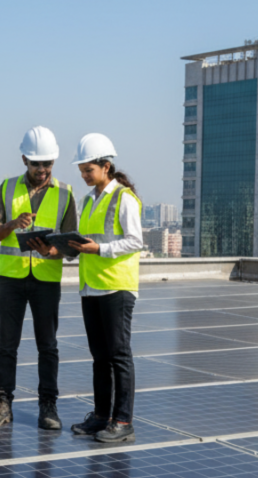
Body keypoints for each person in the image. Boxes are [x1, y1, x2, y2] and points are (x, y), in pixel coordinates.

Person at [0, 126, 78, 430]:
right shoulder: (7, 188)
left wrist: (52, 251)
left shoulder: (65, 193)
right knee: (7, 345)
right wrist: (12, 224)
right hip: (11, 279)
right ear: (24, 159)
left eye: (48, 163)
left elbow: (72, 246)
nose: (42, 169)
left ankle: (48, 406)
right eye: (37, 163)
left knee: (47, 346)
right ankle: (2, 403)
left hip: (46, 280)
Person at [67, 133, 143, 443]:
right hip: (91, 287)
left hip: (116, 287)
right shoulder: (88, 200)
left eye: (88, 170)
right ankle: (101, 416)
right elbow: (89, 241)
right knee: (99, 357)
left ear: (106, 166)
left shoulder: (123, 197)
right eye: (82, 170)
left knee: (119, 356)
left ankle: (122, 421)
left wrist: (99, 250)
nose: (84, 175)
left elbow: (135, 241)